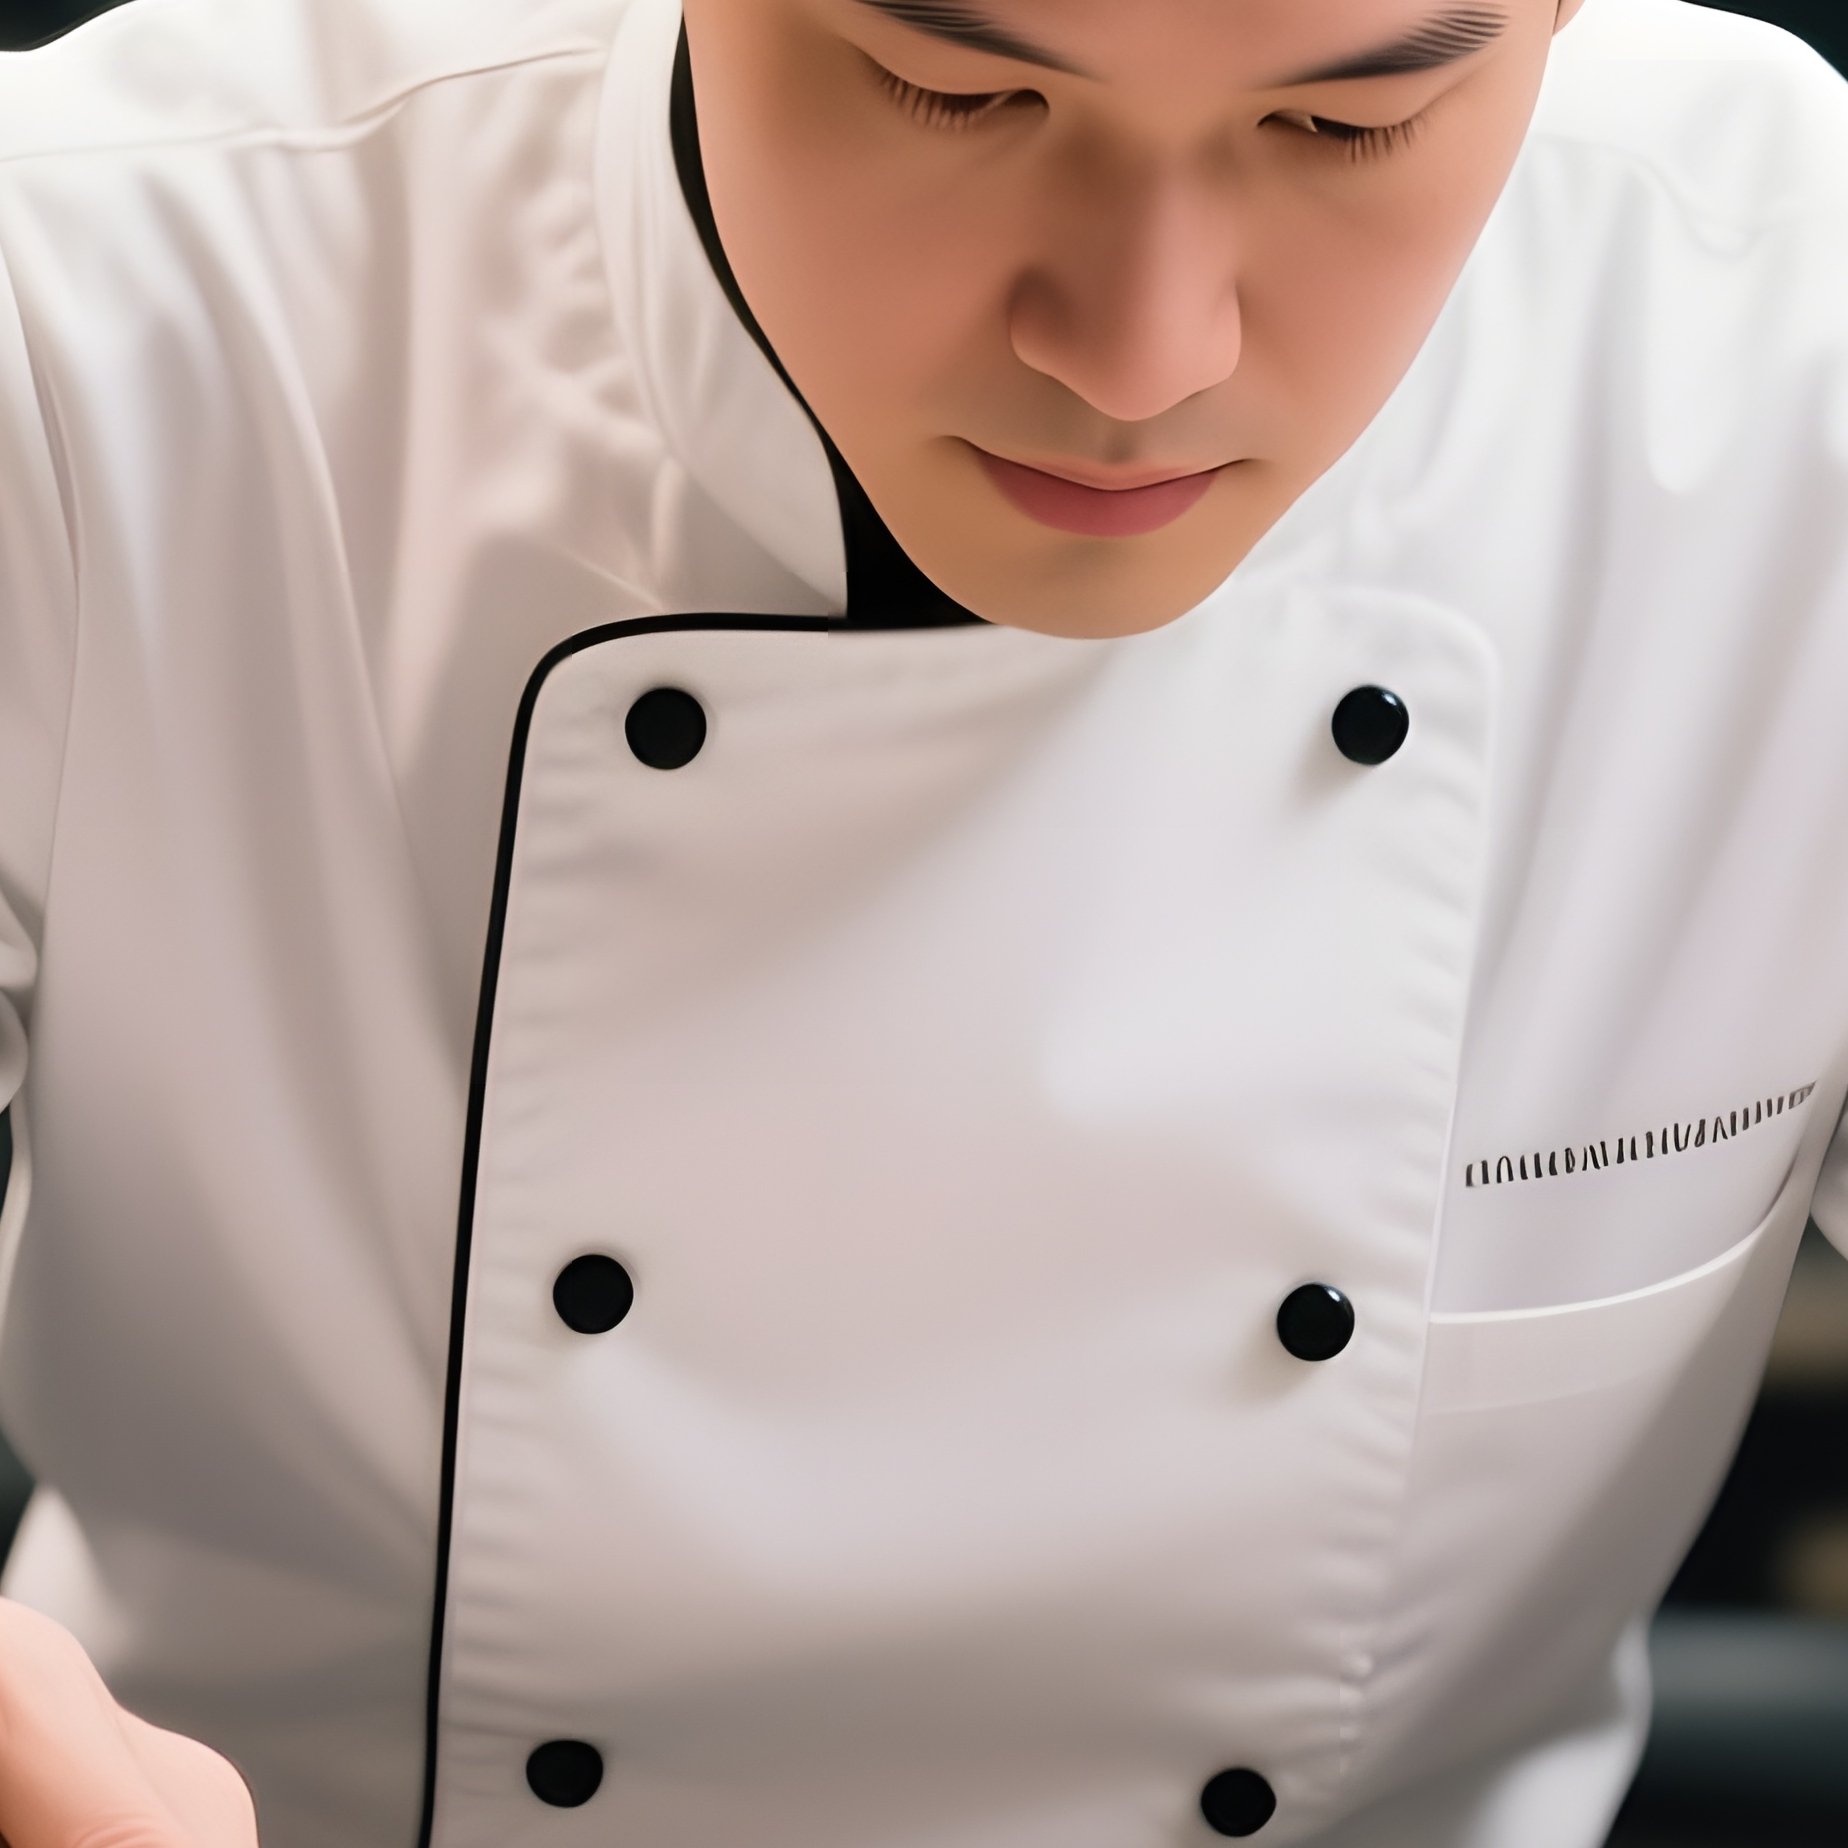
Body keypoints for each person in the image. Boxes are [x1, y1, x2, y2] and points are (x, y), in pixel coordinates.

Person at [0, 0, 1844, 1843]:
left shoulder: (1785, 356)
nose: (1138, 356)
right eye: (956, 90)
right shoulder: (96, 310)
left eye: (1348, 126)